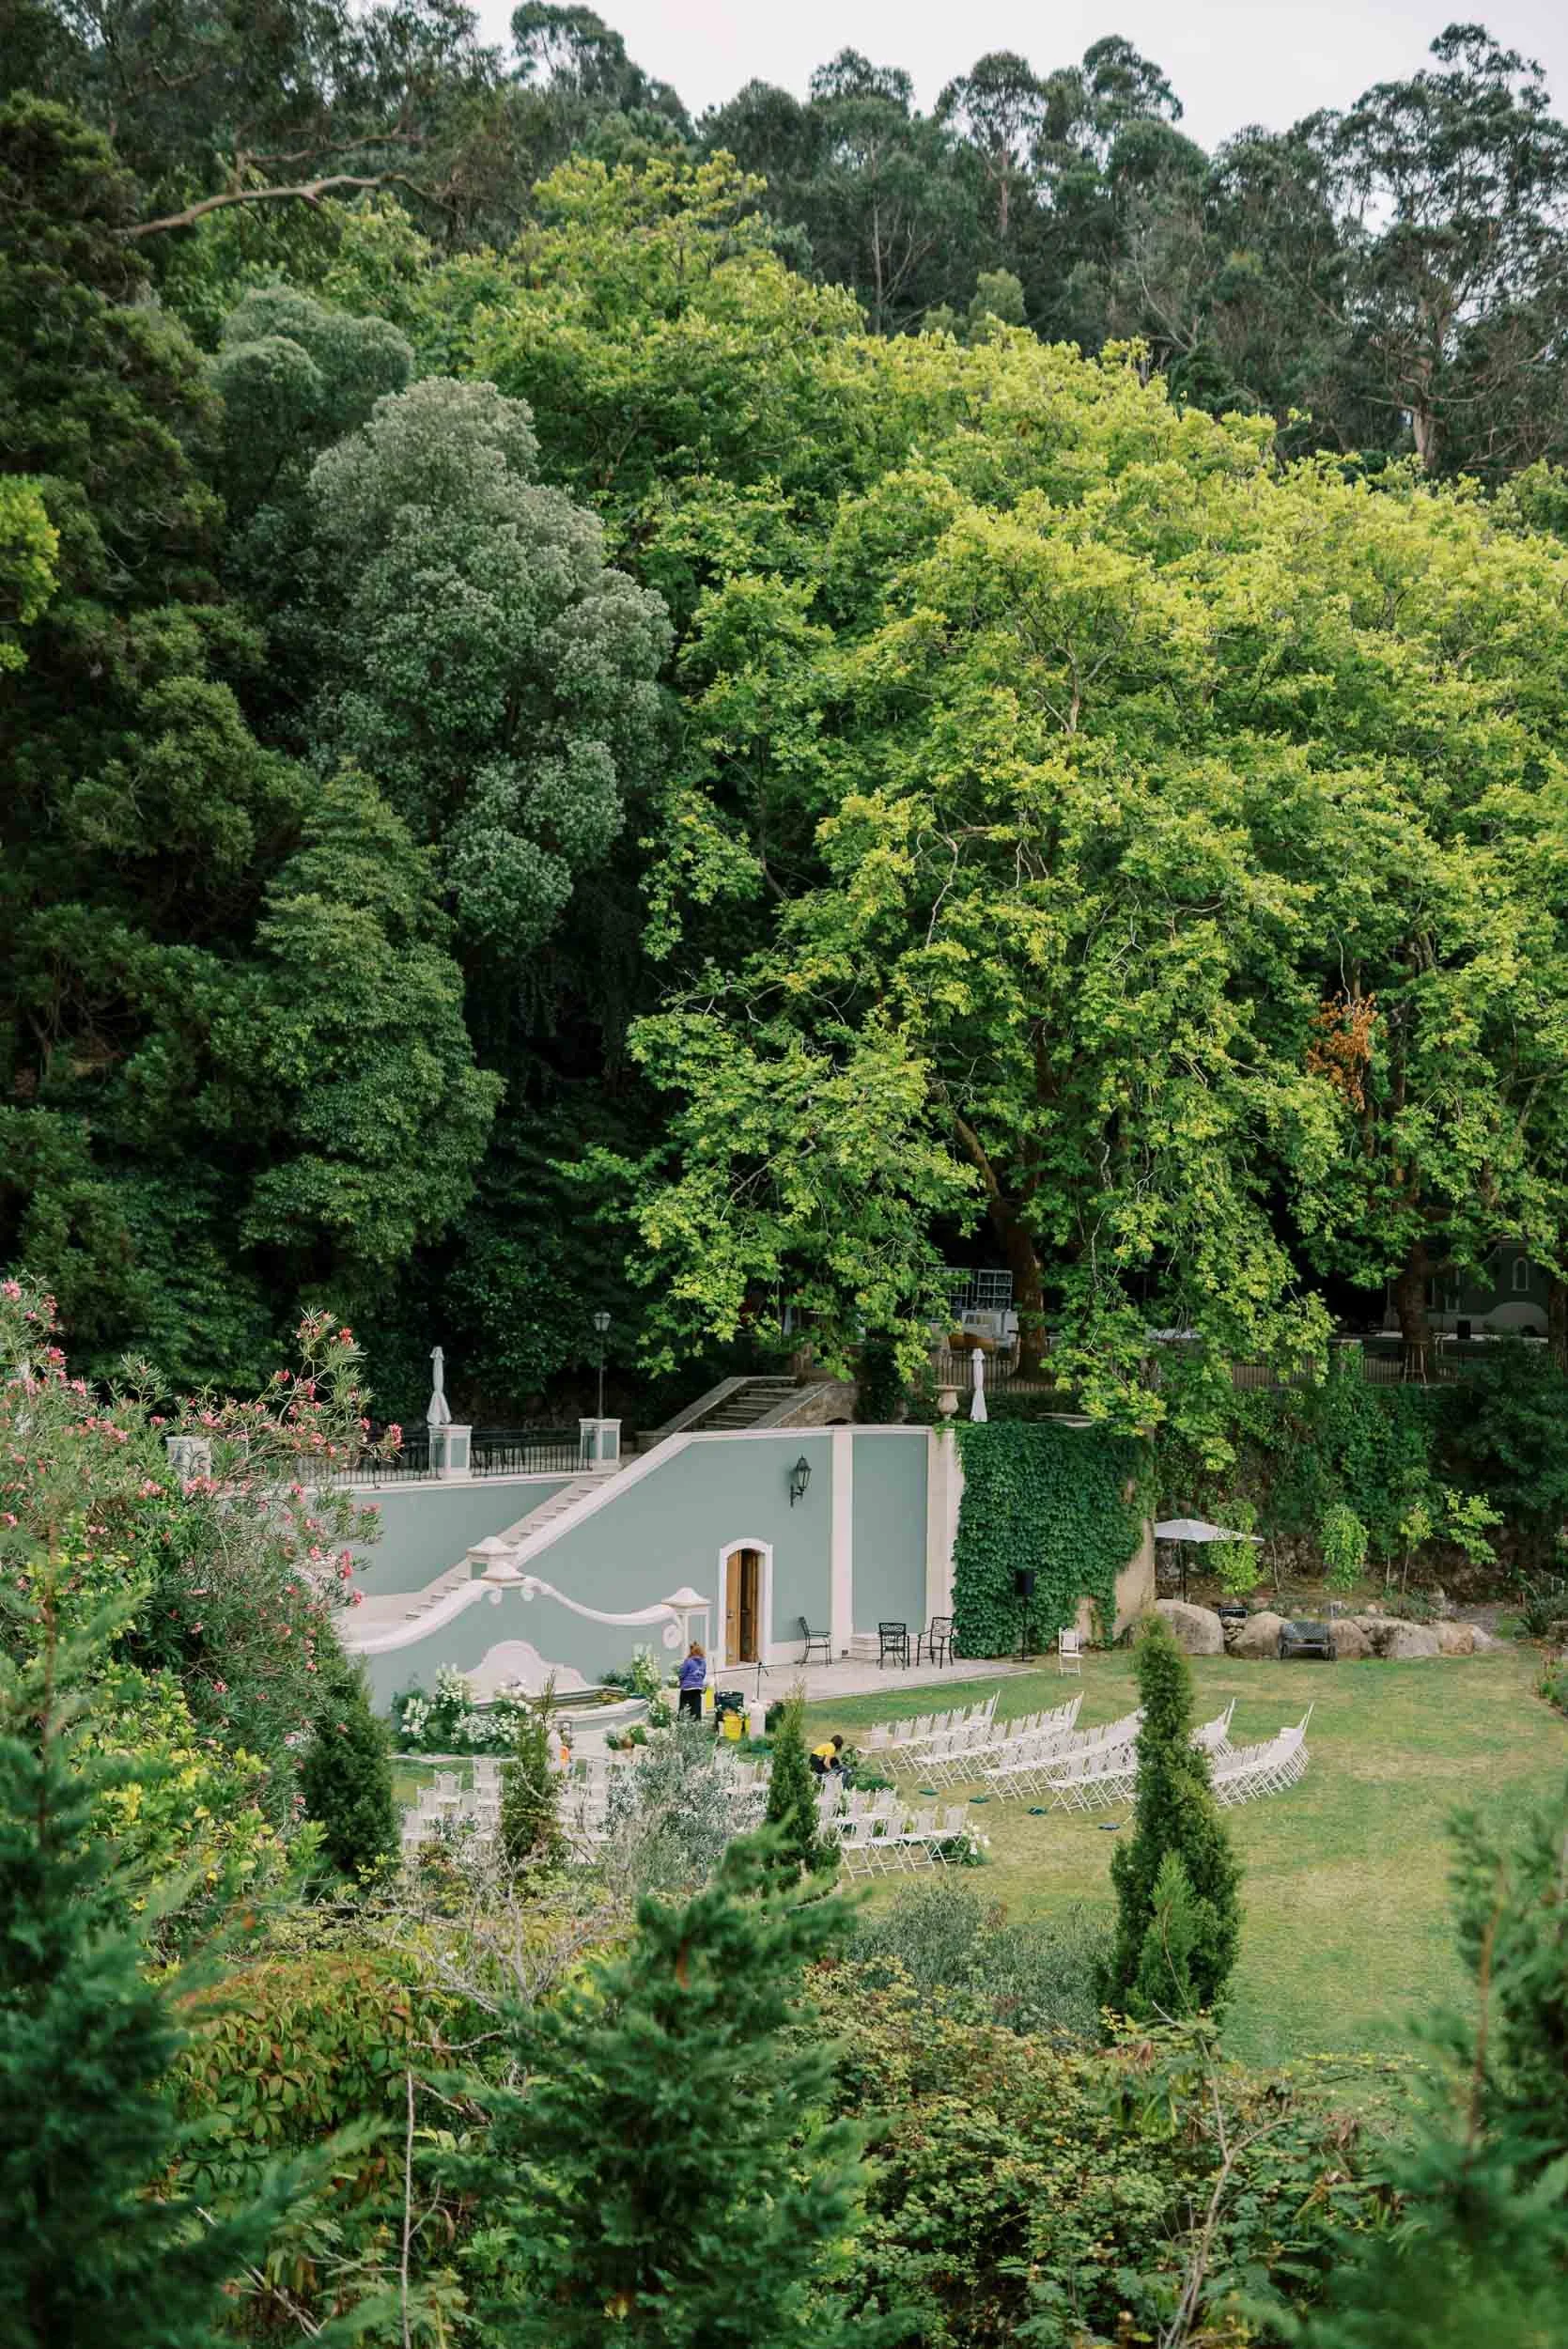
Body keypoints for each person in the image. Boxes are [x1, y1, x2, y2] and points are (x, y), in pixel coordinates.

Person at [676, 1641, 707, 1720]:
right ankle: (696, 1721)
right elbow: (703, 1674)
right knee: (696, 1706)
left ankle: (682, 1720)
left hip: (687, 1687)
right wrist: (698, 1682)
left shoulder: (688, 1661)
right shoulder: (703, 1662)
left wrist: (680, 1679)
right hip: (698, 1687)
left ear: (691, 1651)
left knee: (684, 1705)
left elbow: (682, 1673)